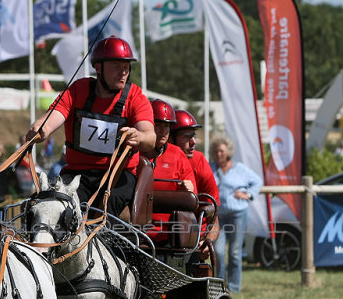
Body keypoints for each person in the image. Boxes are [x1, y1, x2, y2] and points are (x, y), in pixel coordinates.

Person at [25, 35, 155, 216]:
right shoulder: (78, 90)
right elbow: (53, 117)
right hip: (77, 174)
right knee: (53, 207)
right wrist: (41, 129)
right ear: (98, 67)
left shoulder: (136, 97)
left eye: (126, 67)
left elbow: (150, 136)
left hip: (118, 177)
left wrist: (139, 137)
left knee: (109, 206)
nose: (123, 72)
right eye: (116, 66)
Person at [210, 137, 263, 293]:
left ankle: (233, 287)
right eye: (216, 151)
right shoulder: (210, 167)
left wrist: (248, 194)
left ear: (228, 153)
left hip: (238, 215)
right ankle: (219, 286)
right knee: (218, 251)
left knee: (234, 251)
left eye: (221, 151)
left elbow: (257, 181)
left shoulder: (240, 169)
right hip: (218, 216)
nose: (218, 154)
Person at [140, 99, 196, 243]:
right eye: (158, 125)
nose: (163, 131)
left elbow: (193, 197)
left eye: (167, 126)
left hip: (170, 236)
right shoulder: (133, 153)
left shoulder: (177, 155)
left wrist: (189, 190)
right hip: (135, 233)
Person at [170, 109, 221, 247]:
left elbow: (214, 214)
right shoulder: (153, 160)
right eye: (186, 136)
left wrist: (207, 240)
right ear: (170, 137)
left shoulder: (199, 161)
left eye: (193, 135)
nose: (193, 142)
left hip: (193, 237)